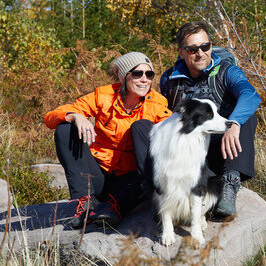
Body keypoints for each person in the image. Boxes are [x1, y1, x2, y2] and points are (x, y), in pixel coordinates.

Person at [44, 52, 172, 228]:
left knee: (141, 127)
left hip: (132, 181)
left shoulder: (157, 104)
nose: (144, 79)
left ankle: (115, 208)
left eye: (149, 74)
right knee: (65, 128)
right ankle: (84, 203)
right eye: (137, 73)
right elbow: (50, 117)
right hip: (99, 176)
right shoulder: (103, 96)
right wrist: (75, 116)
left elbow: (173, 133)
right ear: (123, 76)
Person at [159, 22, 260, 220]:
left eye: (205, 46)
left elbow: (250, 94)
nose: (201, 53)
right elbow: (161, 114)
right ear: (181, 52)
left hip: (223, 149)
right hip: (189, 157)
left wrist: (234, 124)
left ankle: (230, 184)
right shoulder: (169, 79)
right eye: (192, 49)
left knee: (247, 115)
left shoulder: (227, 71)